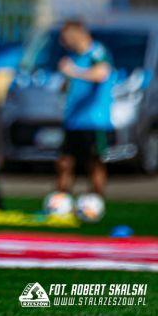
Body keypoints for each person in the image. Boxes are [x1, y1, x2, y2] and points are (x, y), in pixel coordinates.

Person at [55, 19, 115, 196]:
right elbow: (68, 85)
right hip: (73, 120)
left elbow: (101, 73)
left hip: (94, 120)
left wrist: (73, 72)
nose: (63, 41)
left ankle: (96, 200)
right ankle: (61, 199)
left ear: (77, 34)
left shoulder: (97, 52)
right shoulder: (73, 57)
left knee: (94, 162)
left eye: (65, 37)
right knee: (64, 162)